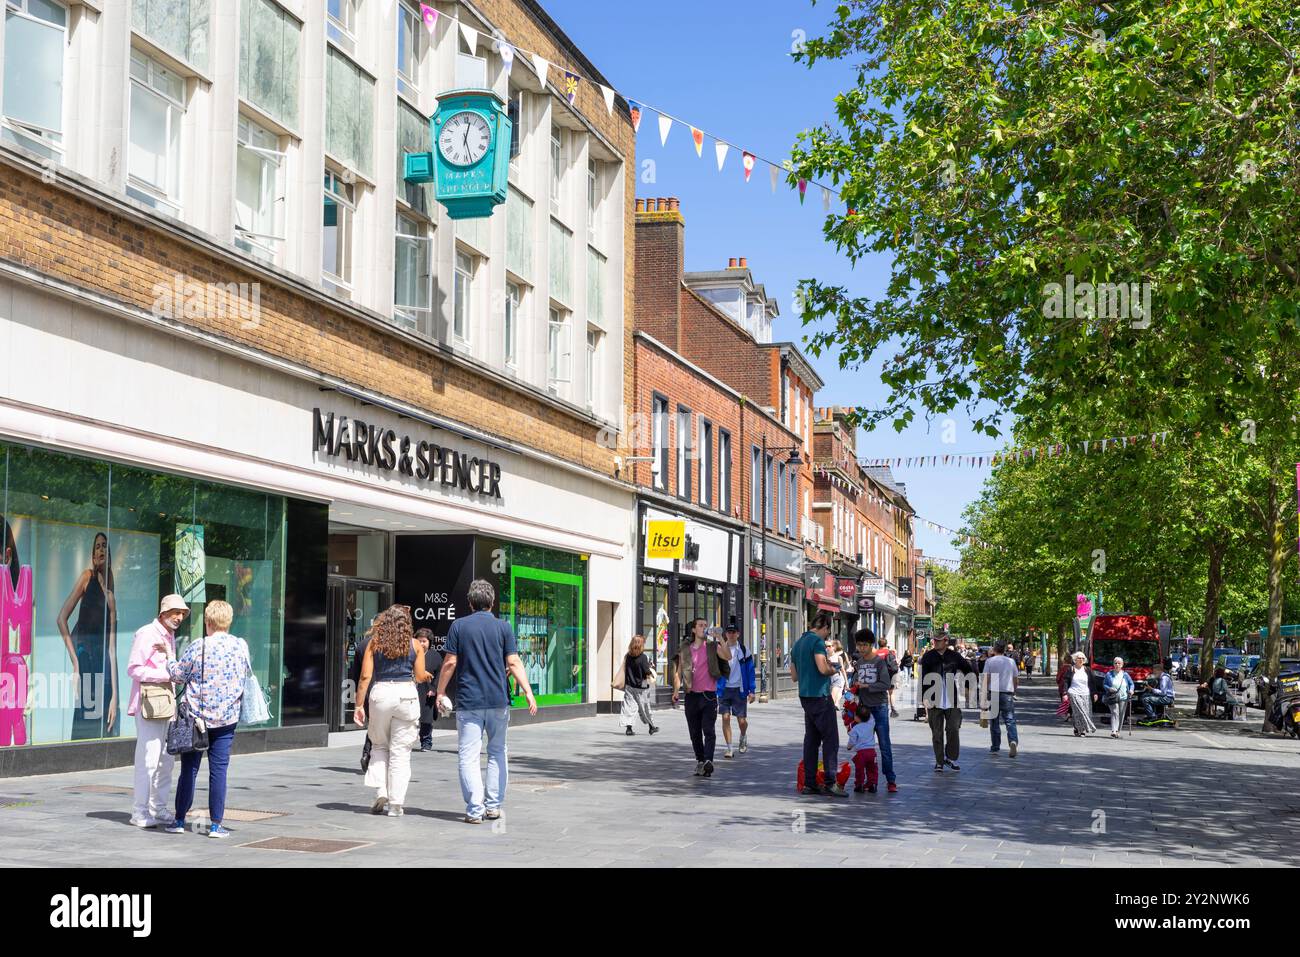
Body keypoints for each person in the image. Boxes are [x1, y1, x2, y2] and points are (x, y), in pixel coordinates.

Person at [435, 579, 538, 823]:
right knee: (497, 752)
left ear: (470, 603)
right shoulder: (504, 627)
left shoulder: (459, 626)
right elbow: (513, 662)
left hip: (470, 701)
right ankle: (493, 806)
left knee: (468, 755)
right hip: (498, 701)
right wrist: (528, 691)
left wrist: (440, 691)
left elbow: (450, 662)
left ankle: (474, 809)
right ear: (492, 603)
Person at [159, 600, 250, 838]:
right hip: (227, 718)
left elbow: (178, 675)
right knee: (219, 771)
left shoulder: (198, 646)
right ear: (228, 621)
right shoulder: (240, 646)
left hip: (196, 719)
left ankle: (179, 820)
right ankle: (216, 825)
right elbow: (245, 676)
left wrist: (169, 656)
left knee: (189, 769)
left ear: (208, 622)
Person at [355, 606, 432, 816]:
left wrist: (359, 705)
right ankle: (396, 805)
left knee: (379, 745)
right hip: (406, 695)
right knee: (401, 751)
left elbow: (364, 678)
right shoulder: (416, 645)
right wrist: (426, 676)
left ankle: (381, 790)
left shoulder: (374, 643)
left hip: (380, 694)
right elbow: (418, 676)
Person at [125, 594, 188, 828]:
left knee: (166, 760)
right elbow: (134, 669)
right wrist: (166, 675)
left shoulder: (168, 635)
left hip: (166, 705)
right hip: (149, 706)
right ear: (163, 612)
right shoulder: (147, 633)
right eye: (175, 612)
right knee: (148, 759)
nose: (179, 617)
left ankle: (158, 807)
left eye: (182, 613)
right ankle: (139, 811)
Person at [57, 532, 119, 740]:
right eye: (97, 547)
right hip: (84, 662)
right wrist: (75, 663)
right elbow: (61, 619)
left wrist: (115, 698)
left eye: (105, 546)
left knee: (101, 723)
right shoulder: (87, 577)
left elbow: (112, 650)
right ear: (93, 556)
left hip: (102, 667)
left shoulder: (111, 598)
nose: (101, 550)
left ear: (109, 555)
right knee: (83, 716)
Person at [669, 618, 732, 778]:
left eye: (705, 625)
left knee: (708, 731)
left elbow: (728, 656)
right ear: (694, 630)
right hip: (691, 696)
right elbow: (678, 672)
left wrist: (720, 638)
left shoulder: (712, 647)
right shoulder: (686, 649)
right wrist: (676, 691)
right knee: (695, 732)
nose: (704, 628)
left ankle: (708, 761)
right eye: (701, 625)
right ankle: (700, 760)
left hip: (709, 696)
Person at [792, 613, 844, 797]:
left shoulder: (798, 643)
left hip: (805, 695)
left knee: (811, 740)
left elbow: (794, 676)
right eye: (827, 632)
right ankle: (831, 782)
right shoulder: (817, 642)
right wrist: (833, 668)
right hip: (820, 695)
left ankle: (810, 783)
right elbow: (823, 669)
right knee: (830, 739)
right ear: (824, 627)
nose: (827, 637)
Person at [853, 629, 899, 792]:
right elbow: (855, 683)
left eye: (864, 645)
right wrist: (855, 687)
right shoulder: (858, 662)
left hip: (879, 707)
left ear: (871, 645)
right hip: (864, 709)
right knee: (865, 746)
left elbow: (886, 684)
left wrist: (867, 686)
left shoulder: (879, 662)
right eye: (859, 645)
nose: (861, 649)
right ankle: (869, 780)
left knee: (884, 744)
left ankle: (890, 780)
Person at [920, 632, 973, 771]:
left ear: (946, 641)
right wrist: (924, 698)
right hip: (934, 698)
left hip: (951, 698)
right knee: (937, 732)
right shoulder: (928, 656)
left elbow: (969, 670)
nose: (935, 643)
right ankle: (939, 761)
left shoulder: (954, 656)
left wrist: (968, 687)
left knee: (953, 729)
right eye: (934, 640)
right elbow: (923, 678)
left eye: (938, 641)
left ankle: (951, 758)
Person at [717, 624, 755, 758]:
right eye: (729, 632)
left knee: (742, 721)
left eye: (734, 632)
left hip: (740, 689)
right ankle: (729, 748)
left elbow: (750, 671)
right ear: (725, 634)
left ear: (738, 634)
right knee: (725, 717)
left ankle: (743, 736)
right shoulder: (720, 648)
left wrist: (752, 690)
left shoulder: (744, 651)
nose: (731, 634)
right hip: (724, 689)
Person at [982, 640, 1019, 757]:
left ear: (995, 649)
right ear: (1004, 649)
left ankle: (995, 747)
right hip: (1007, 692)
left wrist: (983, 694)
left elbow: (986, 678)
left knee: (994, 721)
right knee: (1010, 719)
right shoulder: (1011, 661)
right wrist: (1014, 690)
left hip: (993, 693)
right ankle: (1013, 740)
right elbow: (1015, 678)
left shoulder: (989, 661)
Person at [619, 634, 658, 736]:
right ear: (641, 645)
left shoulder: (628, 656)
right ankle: (651, 727)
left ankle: (629, 729)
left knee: (629, 707)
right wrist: (651, 668)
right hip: (642, 687)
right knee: (644, 707)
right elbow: (646, 671)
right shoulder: (643, 657)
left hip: (629, 686)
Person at [414, 628, 442, 751]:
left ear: (429, 642)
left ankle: (426, 742)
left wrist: (434, 688)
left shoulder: (435, 656)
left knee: (426, 718)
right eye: (419, 641)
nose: (421, 644)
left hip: (428, 690)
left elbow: (440, 674)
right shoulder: (411, 654)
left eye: (424, 641)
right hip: (413, 689)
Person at [1065, 651, 1099, 736]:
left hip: (1086, 693)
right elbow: (1066, 682)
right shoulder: (1071, 669)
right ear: (1075, 660)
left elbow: (1092, 683)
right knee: (1079, 711)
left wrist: (1095, 693)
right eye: (1079, 658)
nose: (1081, 660)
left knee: (1086, 712)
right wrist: (1065, 693)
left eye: (1083, 658)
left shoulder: (1087, 670)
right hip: (1074, 693)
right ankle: (1083, 729)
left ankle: (1079, 728)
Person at [846, 705, 878, 793]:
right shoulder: (871, 723)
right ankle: (873, 784)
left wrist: (849, 747)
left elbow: (852, 741)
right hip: (872, 752)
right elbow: (870, 716)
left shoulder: (855, 729)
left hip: (861, 753)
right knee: (872, 769)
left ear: (857, 717)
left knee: (859, 770)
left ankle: (859, 785)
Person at [1103, 657, 1134, 737]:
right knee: (1115, 712)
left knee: (1121, 714)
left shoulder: (1125, 674)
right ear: (1113, 664)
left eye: (1119, 663)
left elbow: (1131, 684)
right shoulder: (1109, 674)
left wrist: (1131, 690)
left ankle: (1118, 731)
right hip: (1113, 696)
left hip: (1123, 697)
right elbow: (1104, 684)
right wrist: (1109, 688)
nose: (1117, 665)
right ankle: (1114, 730)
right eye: (1116, 663)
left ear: (1122, 665)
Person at [828, 638, 849, 711]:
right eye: (826, 646)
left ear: (834, 647)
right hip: (827, 680)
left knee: (832, 700)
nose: (828, 648)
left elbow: (843, 670)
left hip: (837, 678)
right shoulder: (824, 657)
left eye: (830, 646)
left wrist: (846, 683)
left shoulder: (838, 657)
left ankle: (835, 704)